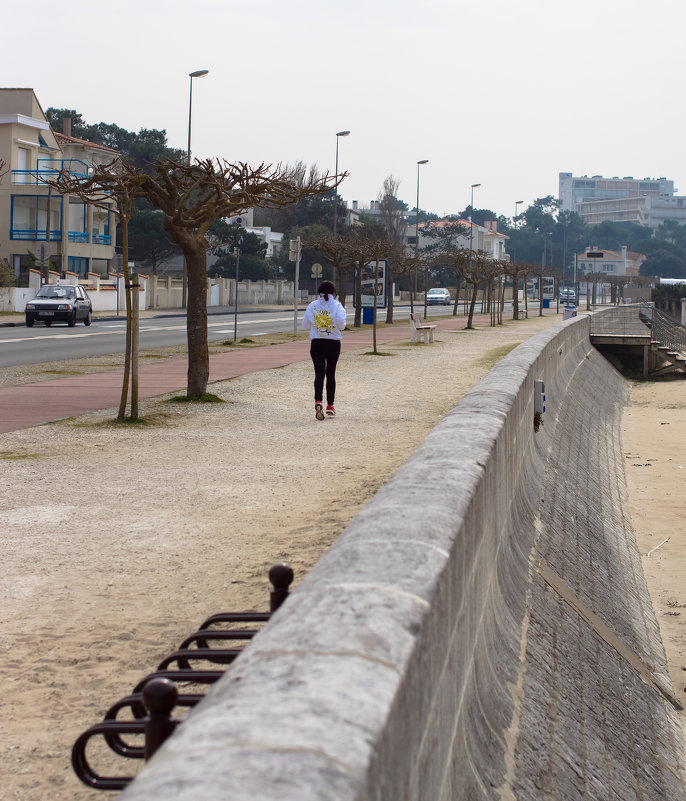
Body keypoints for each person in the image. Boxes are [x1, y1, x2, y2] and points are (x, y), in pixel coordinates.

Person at [302, 280, 347, 420]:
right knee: (331, 374)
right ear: (334, 293)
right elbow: (342, 324)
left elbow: (305, 325)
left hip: (317, 343)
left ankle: (318, 401)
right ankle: (330, 406)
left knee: (319, 374)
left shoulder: (313, 305)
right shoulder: (338, 305)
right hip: (333, 343)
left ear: (319, 293)